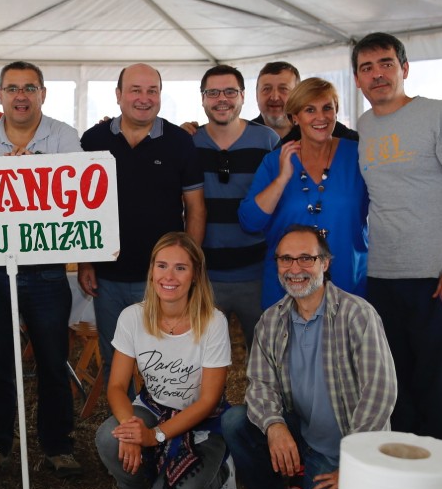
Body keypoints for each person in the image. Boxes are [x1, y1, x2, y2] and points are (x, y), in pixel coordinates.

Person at [221, 225, 396, 489]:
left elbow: (380, 392)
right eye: (285, 259)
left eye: (306, 258)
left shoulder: (357, 314)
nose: (295, 268)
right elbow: (259, 384)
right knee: (236, 422)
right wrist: (275, 426)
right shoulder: (271, 321)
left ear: (325, 263)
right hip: (302, 434)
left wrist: (354, 466)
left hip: (346, 450)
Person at [353, 32, 442, 445]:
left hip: (435, 277)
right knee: (395, 386)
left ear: (404, 69)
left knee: (439, 389)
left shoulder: (438, 114)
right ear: (357, 79)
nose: (377, 74)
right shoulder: (364, 126)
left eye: (386, 64)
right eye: (367, 68)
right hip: (382, 276)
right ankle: (405, 469)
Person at [0, 61, 82, 480]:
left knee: (53, 359)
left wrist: (39, 170)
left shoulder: (64, 137)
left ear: (42, 94)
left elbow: (80, 195)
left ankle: (58, 445)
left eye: (29, 88)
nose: (21, 96)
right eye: (12, 88)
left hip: (46, 267)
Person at [78, 64, 205, 379]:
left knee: (165, 362)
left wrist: (189, 264)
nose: (144, 98)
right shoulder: (92, 139)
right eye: (135, 90)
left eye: (152, 91)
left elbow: (196, 208)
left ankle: (161, 413)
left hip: (162, 277)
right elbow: (81, 209)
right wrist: (85, 261)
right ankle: (122, 412)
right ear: (118, 95)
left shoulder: (179, 142)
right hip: (107, 276)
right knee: (114, 361)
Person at [95, 232, 234, 489]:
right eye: (162, 266)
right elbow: (117, 386)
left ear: (195, 275)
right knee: (110, 437)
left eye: (180, 268)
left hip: (202, 422)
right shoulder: (132, 317)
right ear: (151, 271)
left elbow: (208, 400)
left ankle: (221, 470)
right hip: (153, 408)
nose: (169, 276)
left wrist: (154, 436)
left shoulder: (213, 322)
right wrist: (131, 430)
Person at [239, 78, 369, 308]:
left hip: (347, 285)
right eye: (310, 110)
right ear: (295, 117)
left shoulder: (358, 155)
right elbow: (250, 221)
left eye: (327, 108)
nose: (321, 117)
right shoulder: (275, 161)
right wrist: (282, 179)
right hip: (288, 287)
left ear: (336, 112)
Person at [192, 64, 279, 344]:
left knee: (266, 353)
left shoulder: (267, 140)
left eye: (230, 92)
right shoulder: (189, 143)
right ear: (202, 98)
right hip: (206, 276)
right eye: (213, 93)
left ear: (242, 96)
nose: (222, 99)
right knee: (204, 356)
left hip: (258, 273)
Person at [249, 61, 357, 144]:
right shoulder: (245, 135)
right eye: (266, 89)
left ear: (298, 96)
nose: (275, 97)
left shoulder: (321, 127)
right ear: (256, 95)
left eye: (283, 89)